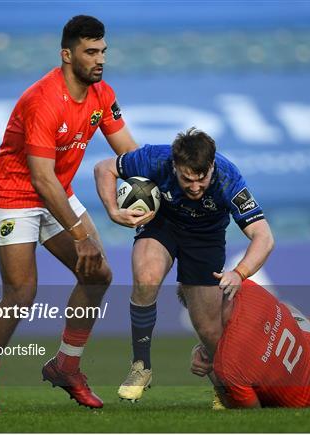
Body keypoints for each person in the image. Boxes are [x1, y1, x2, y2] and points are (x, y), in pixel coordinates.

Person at [0, 15, 149, 413]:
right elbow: (41, 178)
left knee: (97, 275)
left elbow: (129, 153)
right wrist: (81, 235)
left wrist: (165, 179)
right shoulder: (43, 100)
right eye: (90, 52)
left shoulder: (102, 93)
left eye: (103, 51)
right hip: (14, 194)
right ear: (67, 54)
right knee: (20, 294)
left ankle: (66, 365)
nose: (99, 60)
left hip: (57, 193)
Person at [94, 127, 274, 401]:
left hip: (206, 238)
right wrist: (113, 211)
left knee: (209, 330)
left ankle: (226, 389)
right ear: (175, 166)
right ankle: (141, 367)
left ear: (212, 166)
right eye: (187, 179)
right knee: (146, 278)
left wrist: (240, 272)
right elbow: (103, 168)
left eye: (201, 180)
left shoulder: (229, 178)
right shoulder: (155, 158)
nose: (195, 187)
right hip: (162, 224)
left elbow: (264, 236)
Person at [185, 280, 310, 409]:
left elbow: (248, 413)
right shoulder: (249, 287)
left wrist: (211, 363)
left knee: (235, 378)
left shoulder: (229, 363)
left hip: (308, 403)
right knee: (288, 310)